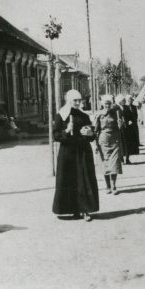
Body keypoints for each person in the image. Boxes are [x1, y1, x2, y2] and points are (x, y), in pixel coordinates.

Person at [52, 90, 99, 221]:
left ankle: (85, 210)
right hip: (68, 153)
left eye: (80, 100)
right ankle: (73, 210)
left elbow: (92, 134)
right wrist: (66, 130)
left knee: (83, 180)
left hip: (83, 152)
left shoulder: (84, 115)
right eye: (75, 101)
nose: (78, 103)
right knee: (70, 180)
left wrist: (90, 134)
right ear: (69, 101)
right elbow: (55, 136)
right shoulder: (61, 115)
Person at [95, 95, 124, 195]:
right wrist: (95, 145)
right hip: (103, 141)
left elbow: (121, 127)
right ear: (103, 104)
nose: (107, 105)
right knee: (105, 164)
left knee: (115, 163)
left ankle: (114, 186)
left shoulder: (116, 112)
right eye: (105, 104)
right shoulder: (99, 114)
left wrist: (121, 124)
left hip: (115, 140)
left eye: (109, 103)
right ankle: (107, 186)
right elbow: (96, 130)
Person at [124, 95, 140, 164]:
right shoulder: (125, 107)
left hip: (134, 123)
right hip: (128, 126)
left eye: (131, 100)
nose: (130, 101)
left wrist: (134, 121)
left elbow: (136, 114)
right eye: (129, 100)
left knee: (135, 136)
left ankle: (135, 149)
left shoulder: (134, 107)